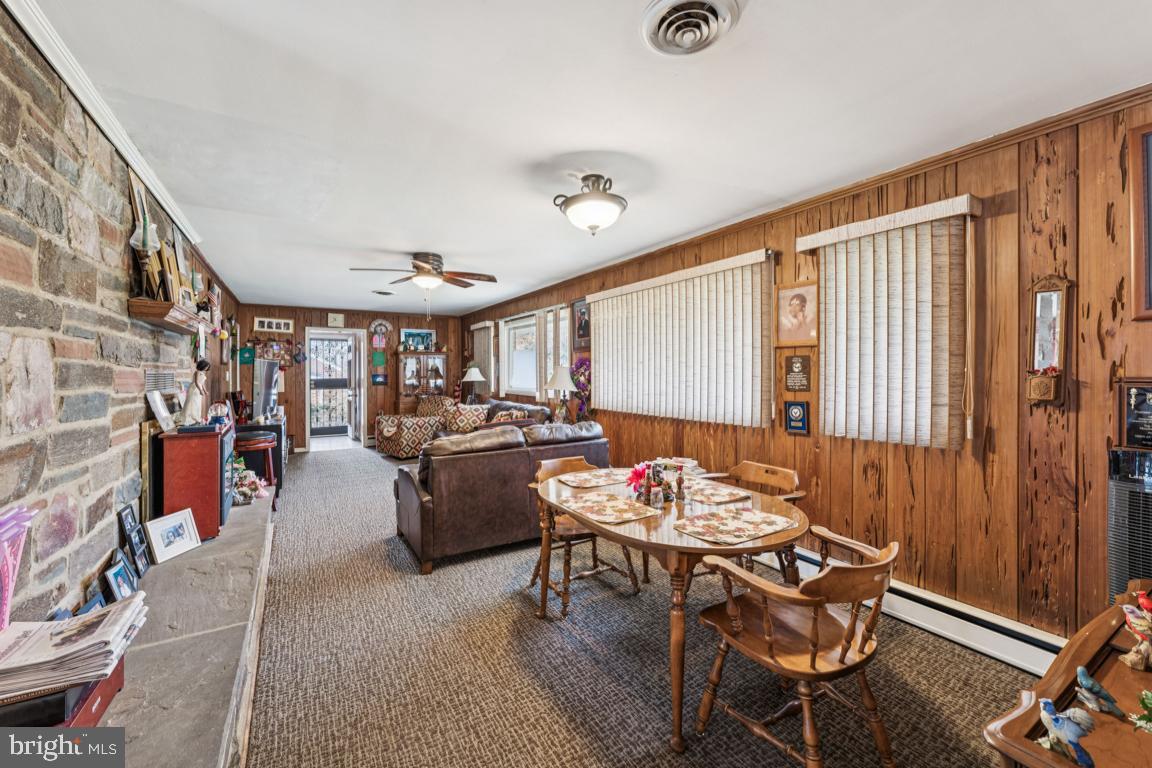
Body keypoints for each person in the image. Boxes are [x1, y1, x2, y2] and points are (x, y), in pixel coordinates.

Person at [181, 359, 211, 425]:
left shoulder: (202, 373)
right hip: (194, 388)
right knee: (192, 403)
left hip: (198, 389)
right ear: (202, 365)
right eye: (206, 366)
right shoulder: (197, 372)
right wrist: (200, 390)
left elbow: (202, 383)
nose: (207, 368)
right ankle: (189, 419)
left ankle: (196, 418)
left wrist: (205, 391)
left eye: (207, 367)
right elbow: (197, 382)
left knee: (197, 404)